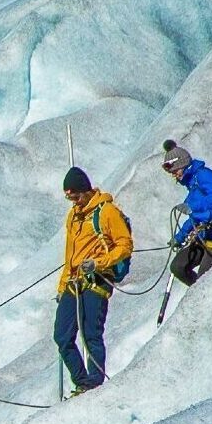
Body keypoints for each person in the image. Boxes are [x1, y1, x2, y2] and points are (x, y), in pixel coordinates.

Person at [56, 168, 131, 394]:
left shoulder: (106, 211)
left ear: (86, 191)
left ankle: (94, 383)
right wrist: (62, 286)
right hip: (73, 282)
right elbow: (69, 255)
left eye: (77, 196)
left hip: (97, 280)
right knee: (62, 335)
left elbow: (125, 244)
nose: (75, 202)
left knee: (91, 334)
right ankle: (82, 380)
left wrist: (99, 263)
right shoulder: (74, 216)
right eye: (70, 198)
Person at [161, 141, 212, 285]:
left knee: (204, 280)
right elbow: (194, 218)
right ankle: (199, 297)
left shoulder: (204, 175)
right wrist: (179, 237)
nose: (173, 175)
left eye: (174, 171)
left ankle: (204, 296)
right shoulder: (192, 184)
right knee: (178, 267)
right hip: (205, 237)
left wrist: (193, 207)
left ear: (181, 164)